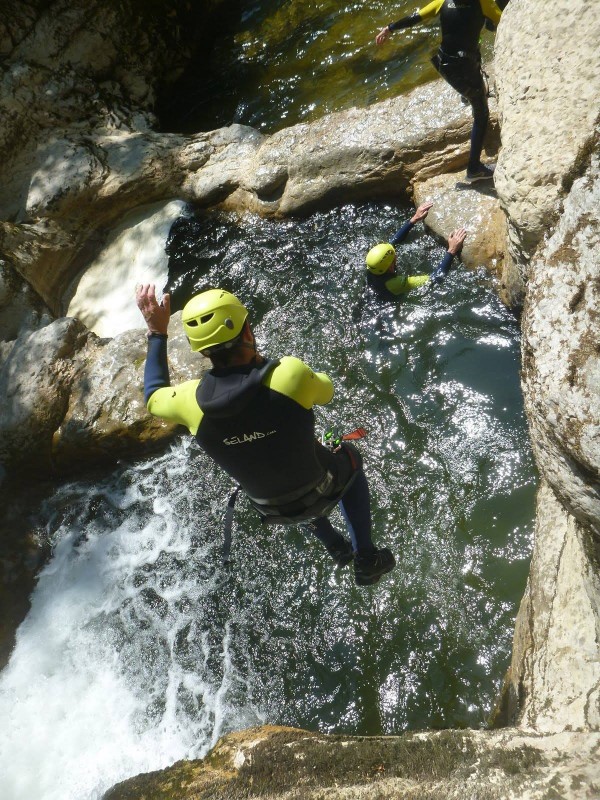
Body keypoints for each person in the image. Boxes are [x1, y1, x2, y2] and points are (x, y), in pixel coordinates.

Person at [135, 285, 396, 586]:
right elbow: (327, 391)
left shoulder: (189, 402)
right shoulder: (288, 374)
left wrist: (157, 331)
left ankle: (335, 545)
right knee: (350, 458)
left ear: (200, 349)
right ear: (247, 330)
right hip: (321, 486)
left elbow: (153, 397)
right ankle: (365, 555)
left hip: (272, 507)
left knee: (280, 480)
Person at [376, 0, 505, 182]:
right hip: (464, 67)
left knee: (472, 72)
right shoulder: (482, 2)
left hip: (445, 65)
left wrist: (389, 28)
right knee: (482, 114)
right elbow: (503, 20)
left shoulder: (443, 1)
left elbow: (414, 18)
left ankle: (466, 95)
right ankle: (474, 170)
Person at [365, 201, 467, 299]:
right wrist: (452, 250)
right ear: (390, 266)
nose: (395, 255)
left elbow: (393, 242)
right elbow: (434, 280)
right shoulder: (396, 284)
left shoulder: (373, 266)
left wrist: (413, 220)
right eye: (393, 257)